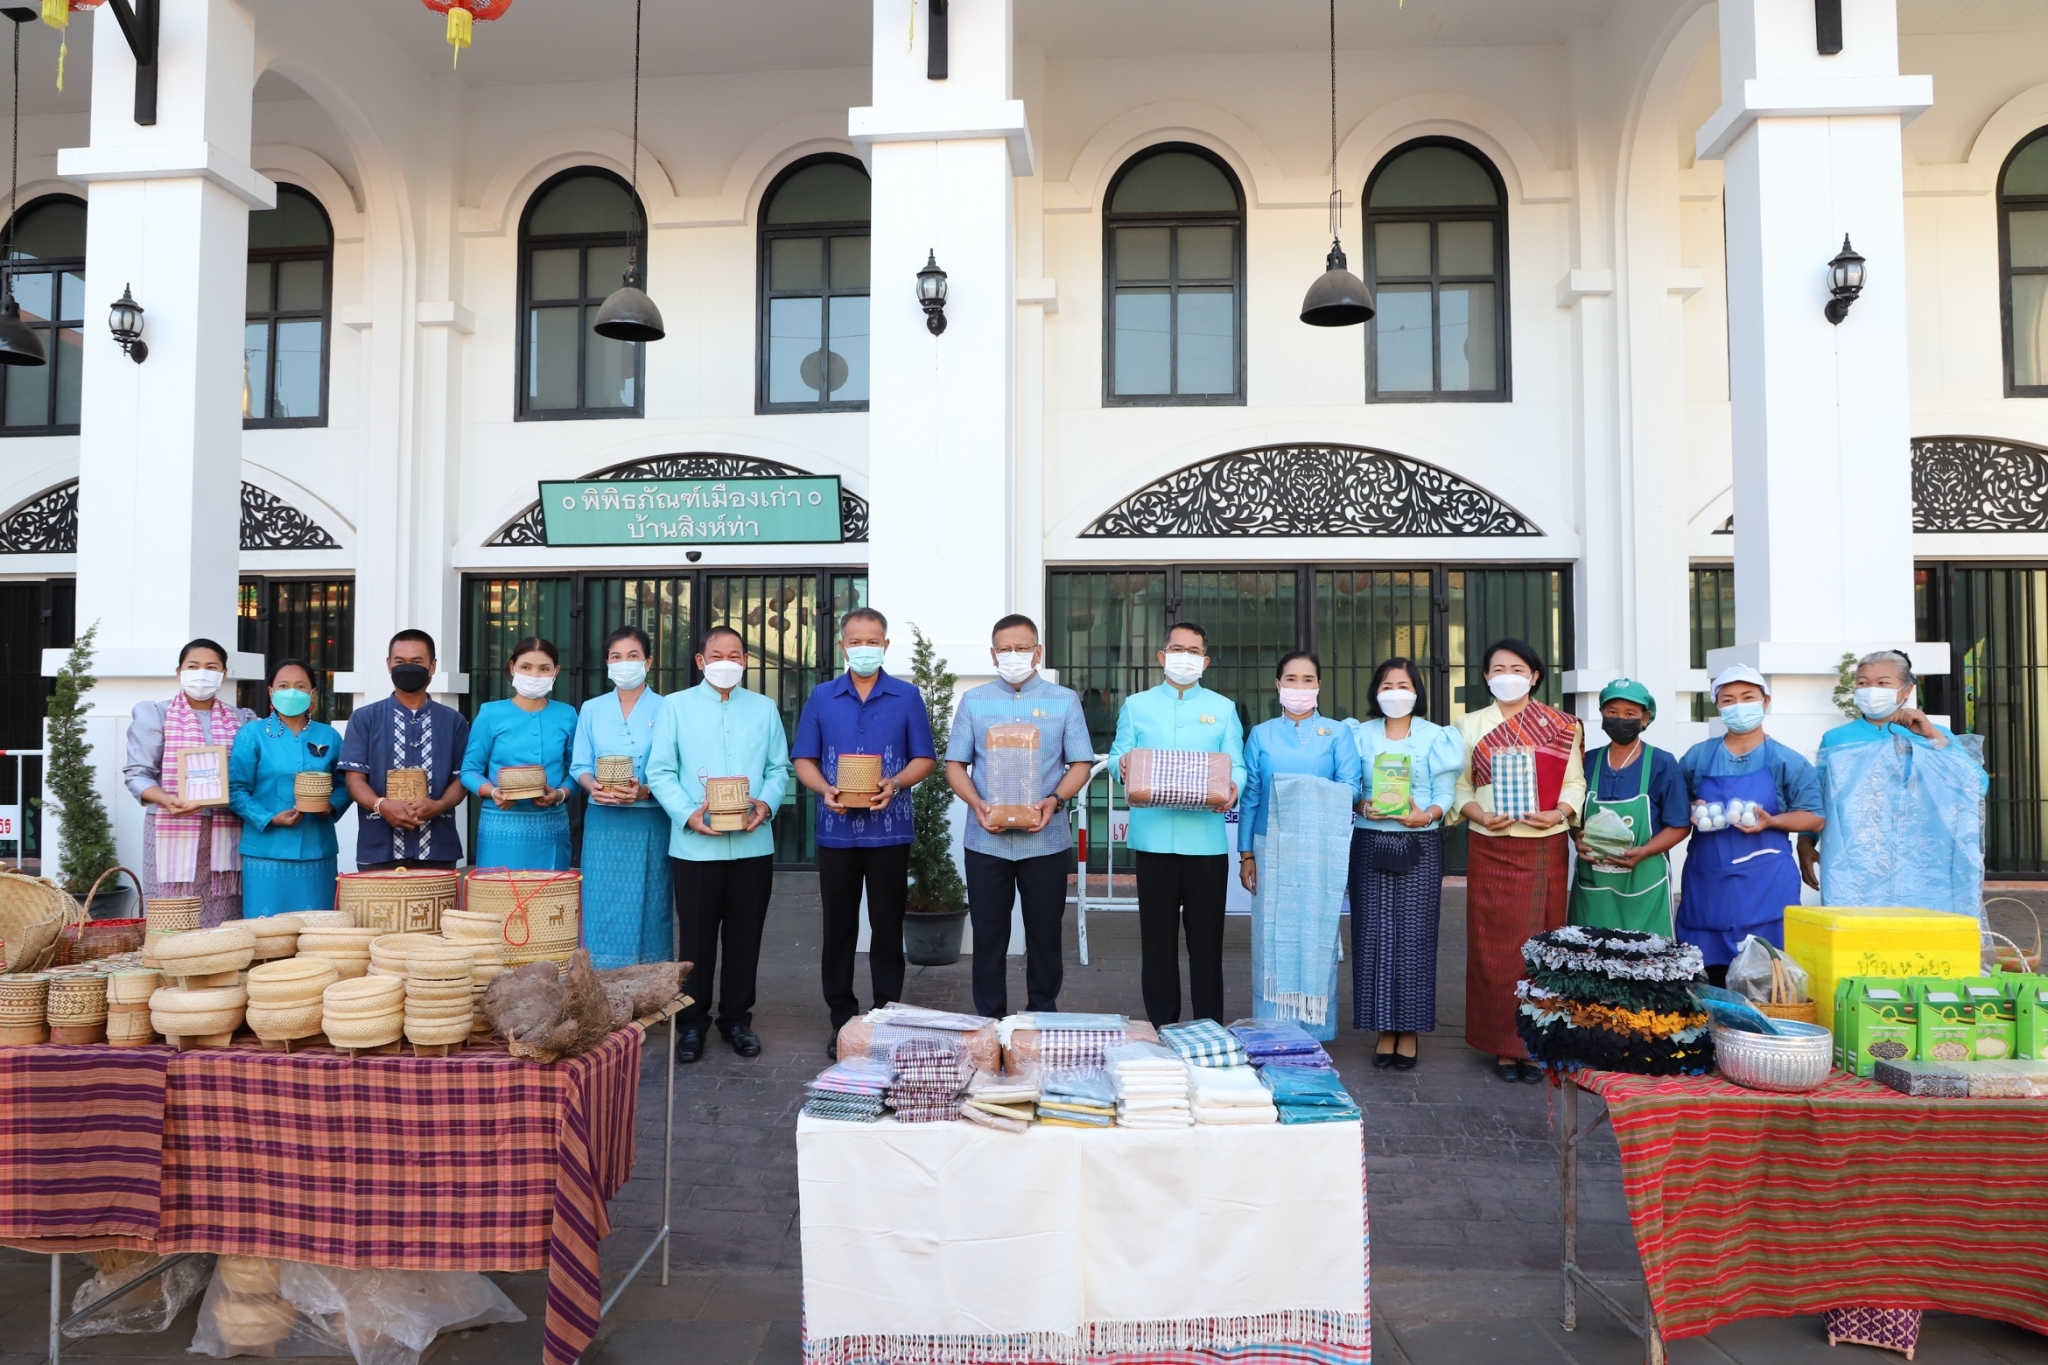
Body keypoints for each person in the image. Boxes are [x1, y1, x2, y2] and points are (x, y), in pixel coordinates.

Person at [793, 607, 937, 1056]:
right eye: (855, 641)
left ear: (886, 645)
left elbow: (925, 758)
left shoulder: (906, 696)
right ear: (842, 646)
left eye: (872, 640)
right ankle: (842, 1019)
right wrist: (825, 790)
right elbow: (803, 760)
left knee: (887, 926)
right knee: (838, 928)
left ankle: (886, 1013)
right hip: (835, 830)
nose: (864, 648)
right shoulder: (821, 697)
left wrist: (895, 783)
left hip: (889, 832)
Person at [648, 625, 792, 1062]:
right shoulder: (675, 707)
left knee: (745, 939)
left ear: (745, 660)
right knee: (695, 941)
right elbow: (660, 771)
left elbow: (778, 768)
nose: (726, 661)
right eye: (717, 654)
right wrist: (689, 814)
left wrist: (765, 805)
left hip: (751, 845)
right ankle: (691, 1025)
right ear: (700, 661)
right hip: (695, 846)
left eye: (735, 654)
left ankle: (736, 1021)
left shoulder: (764, 709)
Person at [943, 614, 1096, 1019]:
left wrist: (1055, 799)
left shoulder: (1063, 700)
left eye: (1023, 648)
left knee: (1045, 936)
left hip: (1046, 841)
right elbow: (955, 764)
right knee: (989, 937)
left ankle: (1040, 1017)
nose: (1014, 655)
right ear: (993, 655)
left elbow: (1081, 762)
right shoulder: (974, 701)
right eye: (1006, 649)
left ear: (1038, 652)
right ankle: (989, 1022)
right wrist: (976, 804)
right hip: (986, 838)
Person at [1452, 639, 1586, 1083]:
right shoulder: (1468, 725)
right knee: (1492, 949)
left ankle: (1533, 1043)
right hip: (1489, 843)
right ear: (1486, 677)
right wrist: (1479, 815)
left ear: (1534, 676)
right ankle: (1500, 1045)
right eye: (1497, 668)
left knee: (1541, 946)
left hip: (1543, 843)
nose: (1506, 675)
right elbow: (1460, 787)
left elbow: (1575, 784)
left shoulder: (1564, 725)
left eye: (1516, 668)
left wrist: (1559, 813)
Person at [1108, 622, 1246, 1026]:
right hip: (1153, 839)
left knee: (1207, 945)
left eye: (1193, 650)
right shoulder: (1137, 705)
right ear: (1162, 656)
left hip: (1205, 842)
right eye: (1176, 648)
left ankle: (1209, 1027)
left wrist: (1234, 785)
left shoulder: (1222, 708)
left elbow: (1236, 762)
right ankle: (1162, 1027)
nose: (1184, 656)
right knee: (1157, 943)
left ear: (1204, 660)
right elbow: (1119, 754)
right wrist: (1124, 765)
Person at [1804, 650, 1988, 920]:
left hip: (1925, 864)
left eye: (1883, 683)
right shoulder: (1837, 739)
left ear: (1906, 689)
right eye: (1863, 683)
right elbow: (1817, 797)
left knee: (1921, 937)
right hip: (1855, 863)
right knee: (1857, 938)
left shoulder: (1933, 733)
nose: (1871, 690)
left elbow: (1976, 786)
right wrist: (1806, 842)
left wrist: (1932, 738)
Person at [1237, 651, 1361, 1043]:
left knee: (1316, 931)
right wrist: (1246, 854)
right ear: (1278, 685)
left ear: (1320, 685)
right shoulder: (1262, 733)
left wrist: (1297, 790)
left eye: (1308, 679)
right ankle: (1273, 1028)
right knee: (1271, 936)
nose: (1300, 687)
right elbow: (1252, 794)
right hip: (1270, 844)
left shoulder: (1338, 733)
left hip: (1318, 847)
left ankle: (1314, 1030)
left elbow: (1352, 788)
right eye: (1291, 679)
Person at [1346, 657, 1462, 1070]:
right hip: (1369, 839)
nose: (1396, 692)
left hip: (1421, 845)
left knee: (1414, 936)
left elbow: (1445, 793)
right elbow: (1350, 785)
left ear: (1417, 691)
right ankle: (1382, 1026)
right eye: (1387, 685)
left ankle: (1409, 1029)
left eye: (1404, 685)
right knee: (1372, 934)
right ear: (1376, 692)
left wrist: (1426, 814)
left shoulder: (1438, 736)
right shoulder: (1357, 735)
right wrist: (1361, 803)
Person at [1675, 664, 1824, 986]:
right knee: (1708, 972)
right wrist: (1690, 809)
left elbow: (1814, 815)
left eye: (1747, 697)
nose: (1738, 706)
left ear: (1765, 702)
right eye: (1728, 700)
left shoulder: (1786, 760)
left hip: (1765, 881)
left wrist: (1773, 821)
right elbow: (1673, 806)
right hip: (1708, 878)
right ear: (1718, 705)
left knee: (1765, 974)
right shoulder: (1698, 757)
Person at [125, 638, 254, 925]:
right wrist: (164, 799)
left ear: (224, 674)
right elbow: (137, 773)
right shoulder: (156, 714)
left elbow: (249, 774)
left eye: (211, 667)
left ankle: (218, 963)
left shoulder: (241, 719)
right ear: (179, 671)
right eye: (193, 666)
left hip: (225, 829)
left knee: (223, 907)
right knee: (172, 912)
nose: (202, 673)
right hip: (171, 823)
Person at [571, 627, 672, 970]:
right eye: (616, 657)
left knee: (651, 900)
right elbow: (580, 764)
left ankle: (649, 981)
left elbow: (677, 767)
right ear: (606, 663)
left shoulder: (668, 708)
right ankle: (598, 981)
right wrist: (591, 787)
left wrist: (645, 790)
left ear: (649, 662)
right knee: (601, 899)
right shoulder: (591, 708)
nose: (624, 663)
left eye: (633, 656)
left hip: (649, 820)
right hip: (603, 822)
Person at [338, 630, 471, 871]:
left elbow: (462, 779)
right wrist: (382, 805)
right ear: (389, 665)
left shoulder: (454, 722)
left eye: (417, 662)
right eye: (400, 662)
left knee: (436, 910)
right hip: (378, 848)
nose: (408, 668)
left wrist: (439, 806)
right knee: (380, 910)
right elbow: (354, 780)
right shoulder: (364, 719)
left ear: (432, 666)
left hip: (438, 848)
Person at [1568, 679, 1691, 938]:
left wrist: (1643, 851)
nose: (1620, 719)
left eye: (1630, 714)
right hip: (1594, 880)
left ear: (1645, 719)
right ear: (1601, 714)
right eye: (1612, 712)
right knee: (1590, 955)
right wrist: (1578, 838)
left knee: (1644, 961)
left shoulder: (1661, 763)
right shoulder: (1587, 761)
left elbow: (1680, 825)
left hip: (1645, 880)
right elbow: (1573, 814)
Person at [227, 659, 349, 917]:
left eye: (300, 686)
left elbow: (346, 783)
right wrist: (268, 818)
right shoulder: (252, 734)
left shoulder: (330, 737)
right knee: (267, 936)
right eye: (283, 685)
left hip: (317, 851)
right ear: (271, 692)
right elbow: (236, 789)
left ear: (312, 693)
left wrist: (330, 806)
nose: (291, 691)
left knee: (316, 933)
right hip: (265, 853)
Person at [461, 638, 577, 870]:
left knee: (550, 901)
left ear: (556, 672)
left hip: (551, 826)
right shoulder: (490, 714)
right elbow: (469, 770)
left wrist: (560, 794)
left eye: (544, 668)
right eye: (526, 667)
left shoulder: (567, 715)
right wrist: (492, 791)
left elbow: (578, 769)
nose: (534, 675)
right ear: (512, 667)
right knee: (499, 899)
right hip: (500, 827)